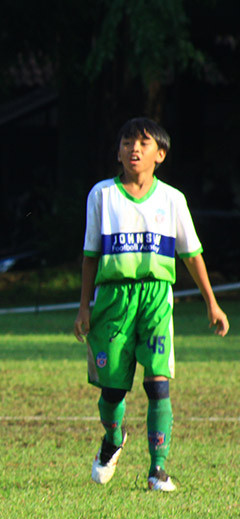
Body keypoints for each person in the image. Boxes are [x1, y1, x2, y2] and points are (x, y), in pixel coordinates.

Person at [74, 117, 229, 492]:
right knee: (112, 390)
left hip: (157, 296)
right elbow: (91, 255)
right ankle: (113, 439)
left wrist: (212, 303)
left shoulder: (172, 200)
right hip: (112, 300)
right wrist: (83, 307)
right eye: (127, 142)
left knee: (158, 384)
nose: (134, 149)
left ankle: (157, 469)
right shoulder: (102, 196)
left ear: (160, 154)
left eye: (143, 143)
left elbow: (191, 254)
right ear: (118, 152)